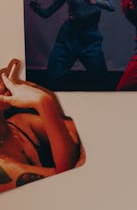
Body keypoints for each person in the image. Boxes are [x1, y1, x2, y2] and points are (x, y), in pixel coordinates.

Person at [0, 59, 85, 192]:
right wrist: (43, 102)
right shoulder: (2, 165)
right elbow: (66, 180)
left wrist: (29, 88)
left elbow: (84, 133)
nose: (2, 82)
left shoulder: (19, 123)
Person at [28, 0, 114, 88]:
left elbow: (111, 6)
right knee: (53, 76)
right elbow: (47, 13)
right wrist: (37, 8)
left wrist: (96, 1)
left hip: (90, 39)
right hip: (68, 38)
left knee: (101, 79)